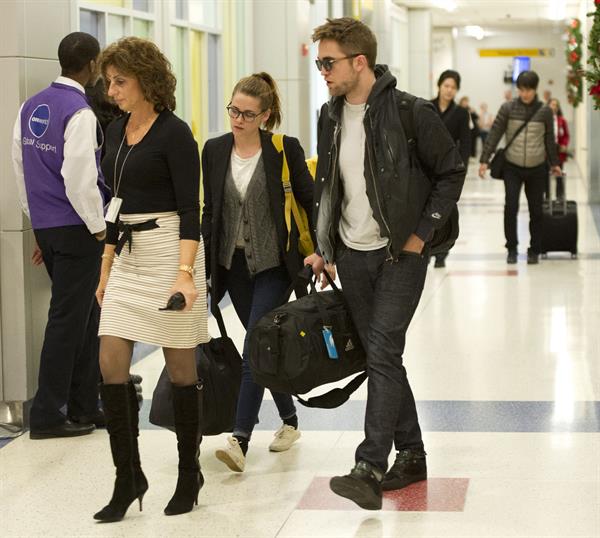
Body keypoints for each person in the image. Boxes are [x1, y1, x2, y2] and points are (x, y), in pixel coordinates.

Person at [306, 17, 465, 510]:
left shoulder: (410, 112)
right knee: (383, 357)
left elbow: (451, 172)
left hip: (400, 254)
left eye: (328, 62)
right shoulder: (329, 116)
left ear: (360, 61)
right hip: (352, 256)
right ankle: (412, 452)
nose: (322, 72)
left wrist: (422, 235)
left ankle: (370, 465)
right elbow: (330, 186)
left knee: (381, 348)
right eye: (318, 63)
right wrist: (326, 247)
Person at [94, 36, 208, 522]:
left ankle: (189, 472)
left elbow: (190, 209)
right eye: (109, 82)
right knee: (110, 361)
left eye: (121, 81)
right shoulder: (116, 131)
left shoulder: (175, 134)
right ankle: (128, 476)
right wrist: (105, 269)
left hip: (170, 254)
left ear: (147, 81)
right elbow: (114, 206)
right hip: (127, 257)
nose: (112, 90)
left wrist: (184, 275)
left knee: (182, 371)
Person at [201, 73, 315, 473]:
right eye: (234, 110)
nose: (238, 119)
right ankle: (290, 421)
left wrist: (319, 251)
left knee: (254, 345)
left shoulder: (284, 150)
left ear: (265, 116)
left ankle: (239, 438)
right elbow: (211, 211)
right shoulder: (214, 150)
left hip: (274, 265)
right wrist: (202, 265)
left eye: (248, 114)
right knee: (263, 344)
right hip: (232, 266)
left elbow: (309, 201)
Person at [11, 32, 108, 440]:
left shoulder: (30, 106)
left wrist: (38, 220)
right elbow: (80, 180)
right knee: (68, 321)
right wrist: (100, 229)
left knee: (85, 316)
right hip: (78, 228)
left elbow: (20, 168)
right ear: (91, 65)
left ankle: (85, 404)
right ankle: (47, 414)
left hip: (50, 228)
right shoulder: (80, 112)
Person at [479, 71, 561, 264]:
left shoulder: (545, 111)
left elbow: (549, 140)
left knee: (536, 211)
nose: (525, 94)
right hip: (512, 167)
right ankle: (512, 248)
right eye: (522, 90)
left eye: (529, 90)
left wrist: (555, 163)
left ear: (535, 89)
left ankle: (534, 249)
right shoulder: (508, 108)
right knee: (511, 207)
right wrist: (484, 159)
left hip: (537, 168)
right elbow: (495, 134)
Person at [430, 72, 470, 268]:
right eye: (446, 85)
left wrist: (461, 169)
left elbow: (466, 143)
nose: (449, 90)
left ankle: (441, 251)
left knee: (445, 209)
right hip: (428, 167)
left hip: (450, 168)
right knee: (426, 208)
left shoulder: (462, 113)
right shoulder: (427, 107)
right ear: (439, 86)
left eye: (453, 87)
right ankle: (426, 245)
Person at [548, 98, 569, 200]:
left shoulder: (562, 120)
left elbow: (566, 135)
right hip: (546, 152)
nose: (554, 107)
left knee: (559, 174)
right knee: (546, 175)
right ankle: (547, 197)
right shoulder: (544, 119)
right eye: (552, 104)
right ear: (548, 106)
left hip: (559, 150)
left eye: (556, 105)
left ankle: (559, 196)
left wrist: (564, 144)